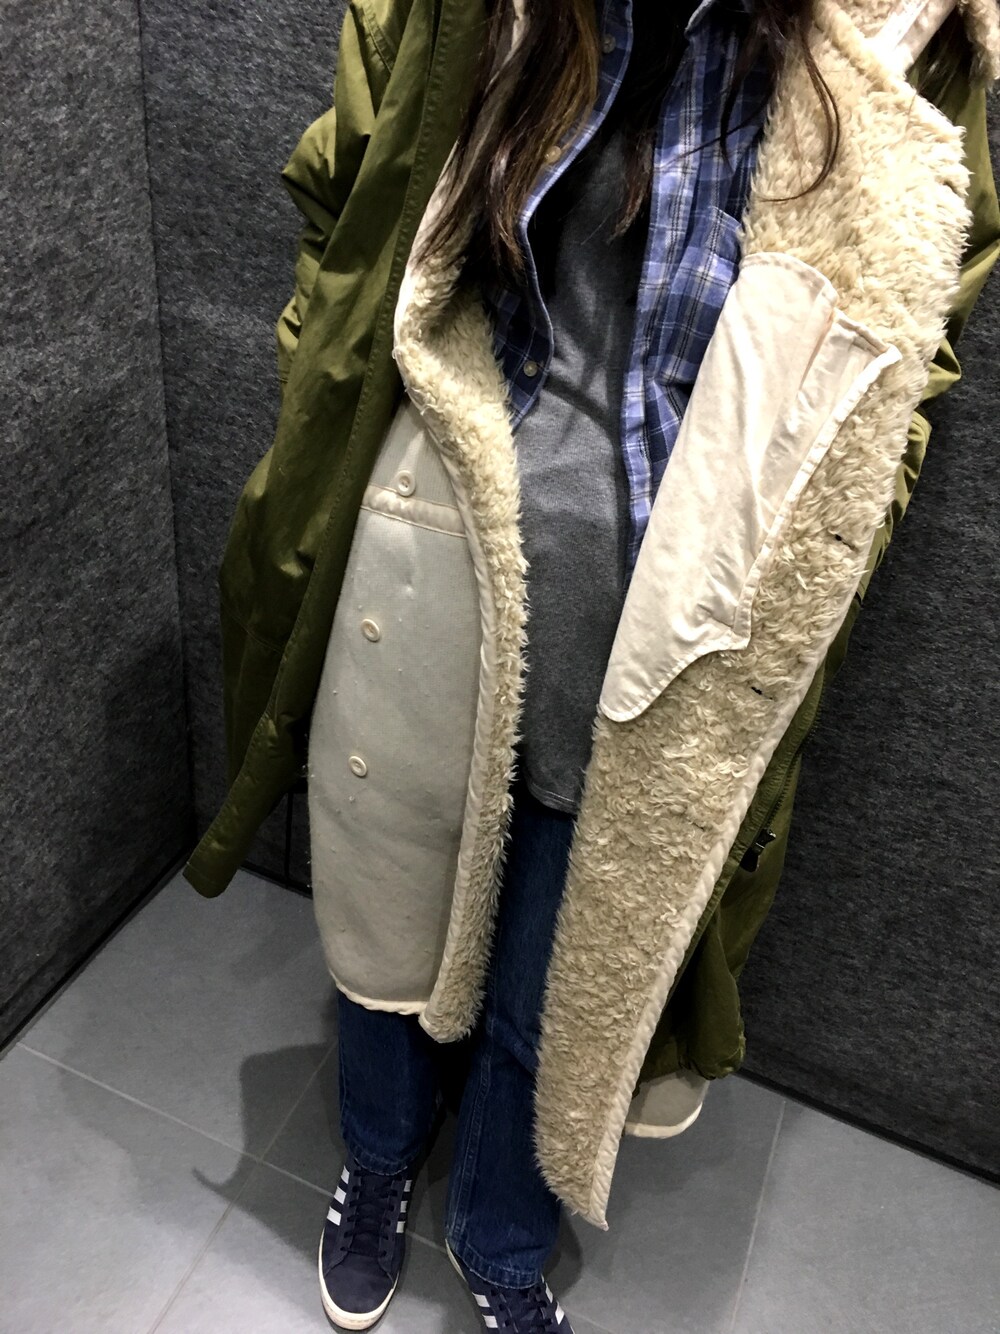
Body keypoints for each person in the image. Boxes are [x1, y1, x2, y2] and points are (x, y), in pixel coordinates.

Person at [181, 0, 1000, 1330]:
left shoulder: (905, 35)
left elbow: (918, 335)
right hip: (443, 509)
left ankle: (502, 1234)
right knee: (390, 880)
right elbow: (345, 200)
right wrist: (321, 391)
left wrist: (838, 532)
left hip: (689, 588)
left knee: (567, 959)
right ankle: (379, 1154)